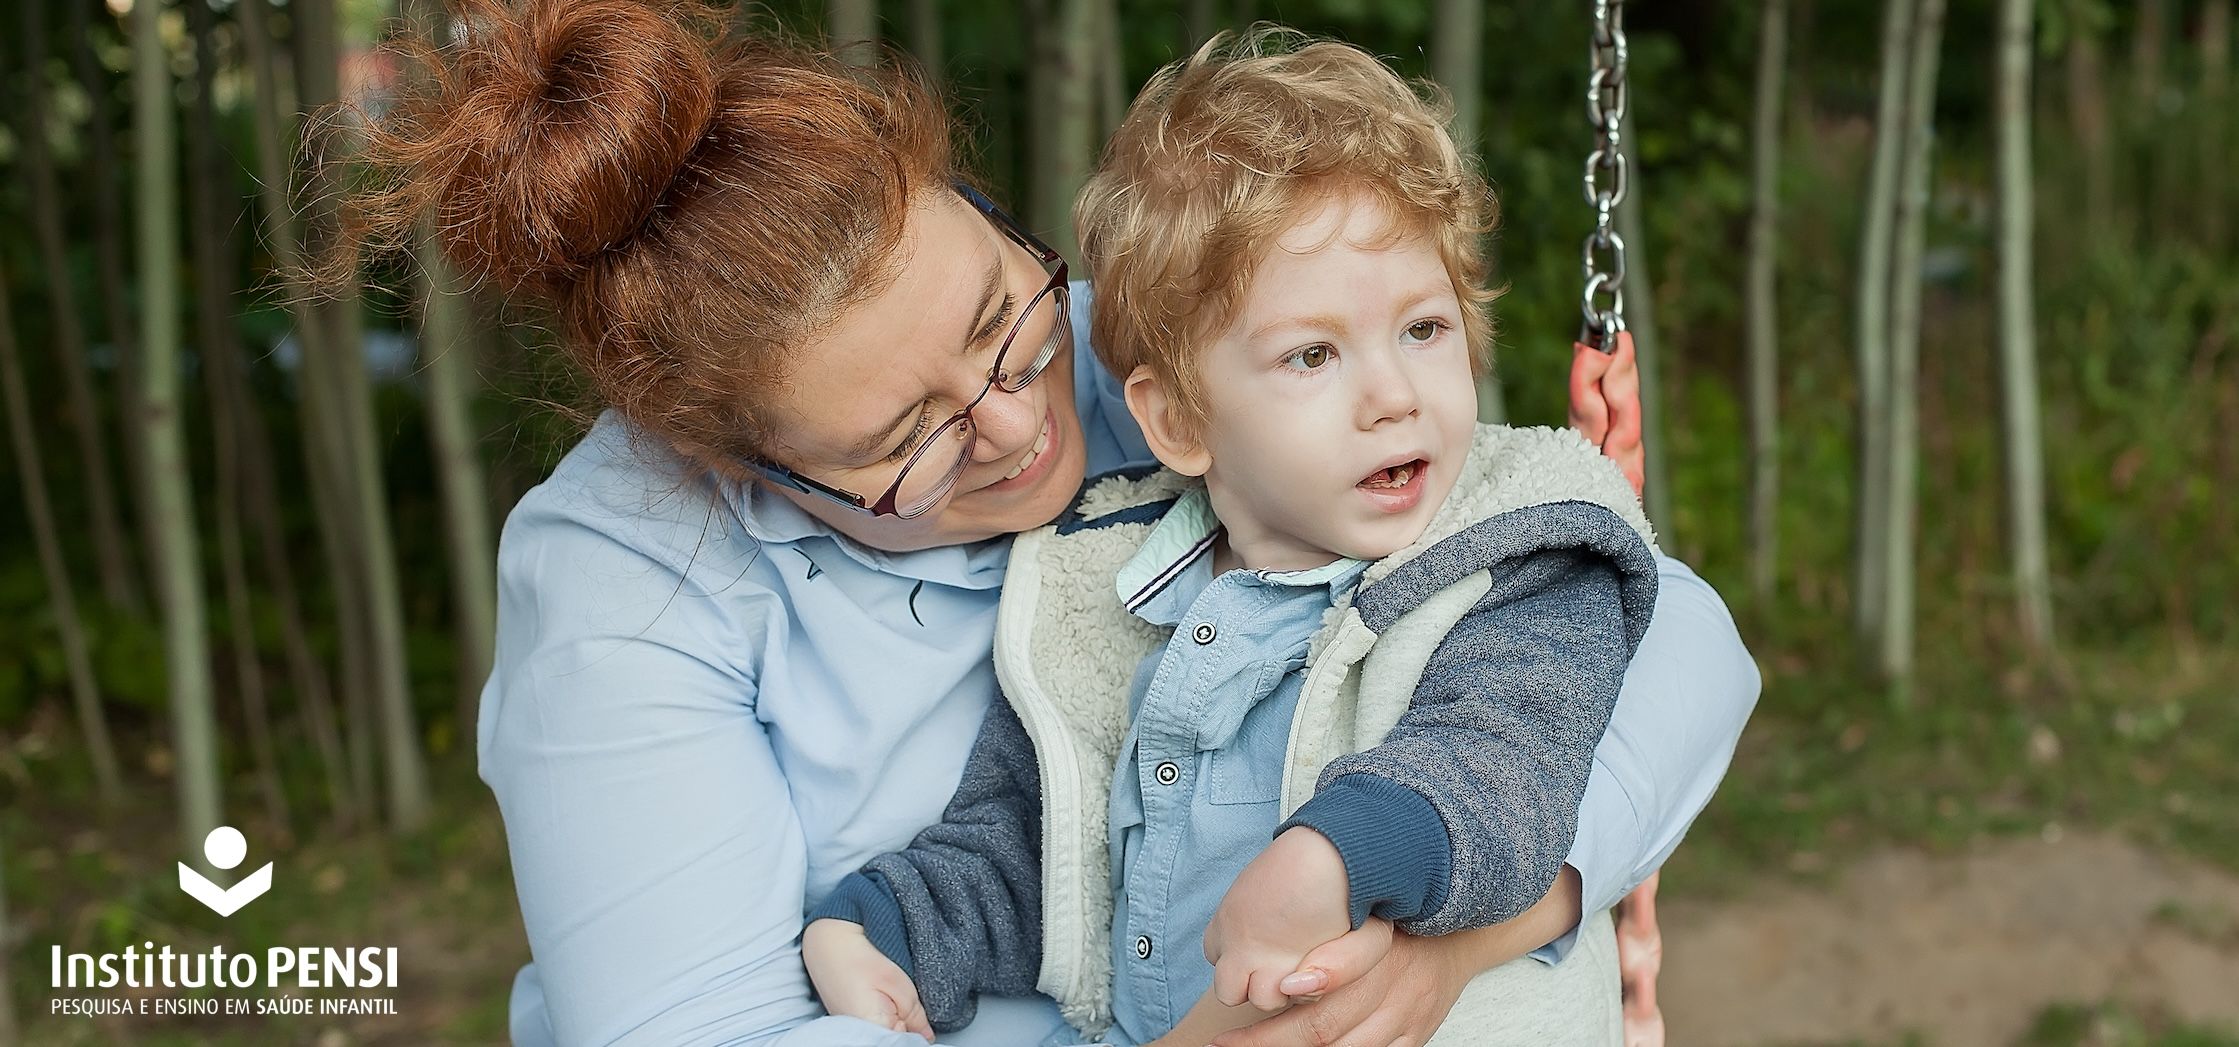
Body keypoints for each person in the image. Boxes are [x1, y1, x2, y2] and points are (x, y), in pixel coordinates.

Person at [343, 1, 1759, 1043]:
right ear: (744, 467)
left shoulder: (1158, 358)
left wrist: (1483, 922)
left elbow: (1616, 609)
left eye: (1004, 326)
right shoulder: (625, 576)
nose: (1025, 424)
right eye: (910, 440)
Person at [798, 33, 1668, 1047]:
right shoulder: (1115, 596)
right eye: (1312, 354)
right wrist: (886, 927)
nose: (1392, 395)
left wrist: (1333, 859)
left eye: (1423, 330)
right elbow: (1034, 845)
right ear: (1179, 423)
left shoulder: (1513, 563)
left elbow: (1500, 765)